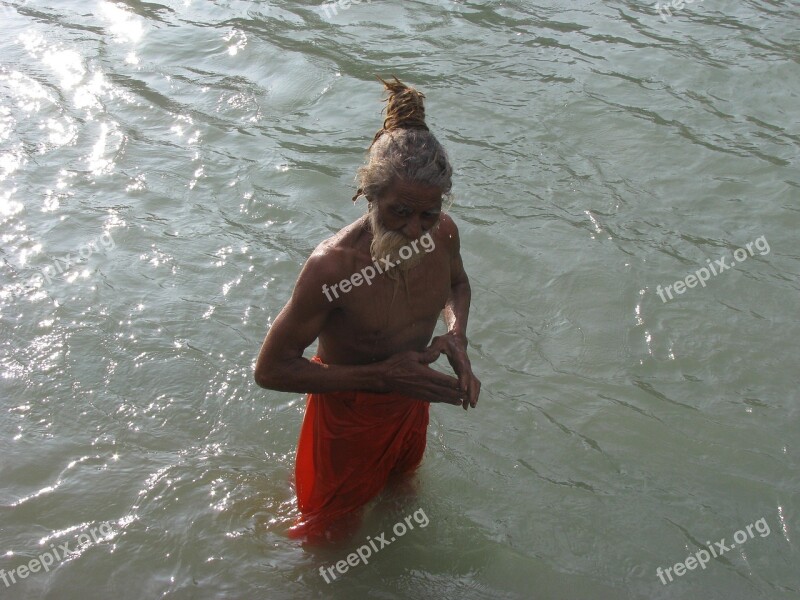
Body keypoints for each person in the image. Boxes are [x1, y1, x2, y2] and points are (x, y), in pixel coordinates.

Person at [254, 76, 481, 541]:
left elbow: (456, 283)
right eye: (400, 211)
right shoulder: (333, 268)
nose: (417, 229)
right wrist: (379, 378)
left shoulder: (445, 233)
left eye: (428, 215)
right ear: (368, 195)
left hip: (410, 401)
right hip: (346, 415)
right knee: (327, 534)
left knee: (402, 494)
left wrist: (456, 334)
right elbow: (270, 370)